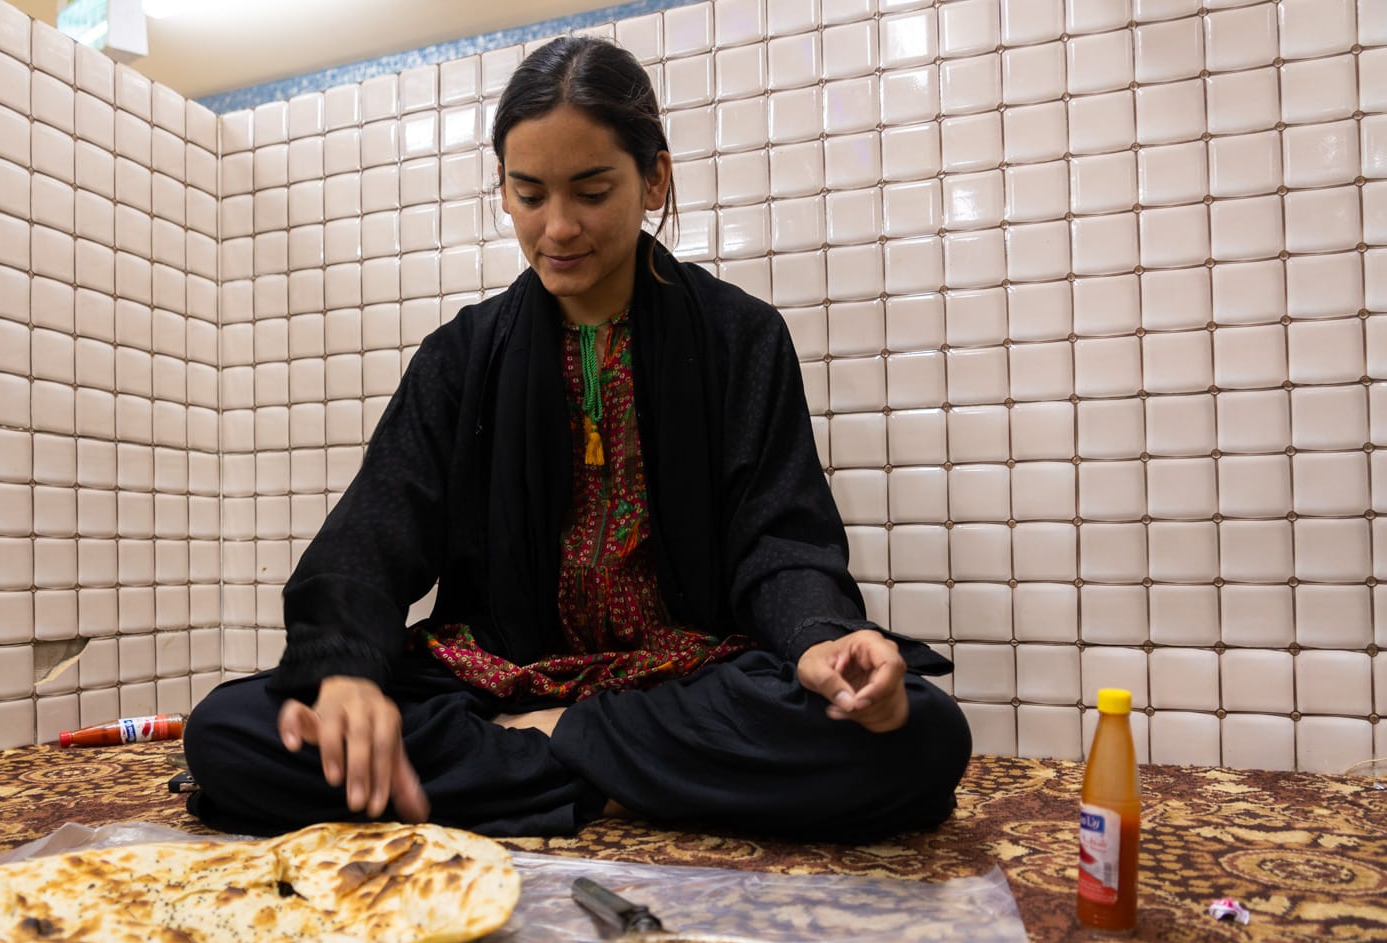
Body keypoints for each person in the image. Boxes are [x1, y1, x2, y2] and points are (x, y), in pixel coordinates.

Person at [183, 36, 972, 842]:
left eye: (591, 191)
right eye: (529, 195)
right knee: (230, 730)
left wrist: (822, 640)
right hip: (494, 678)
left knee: (924, 734)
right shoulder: (460, 356)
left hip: (681, 678)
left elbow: (782, 538)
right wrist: (345, 670)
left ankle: (541, 755)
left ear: (654, 177)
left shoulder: (743, 339)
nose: (557, 228)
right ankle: (611, 779)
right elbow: (372, 535)